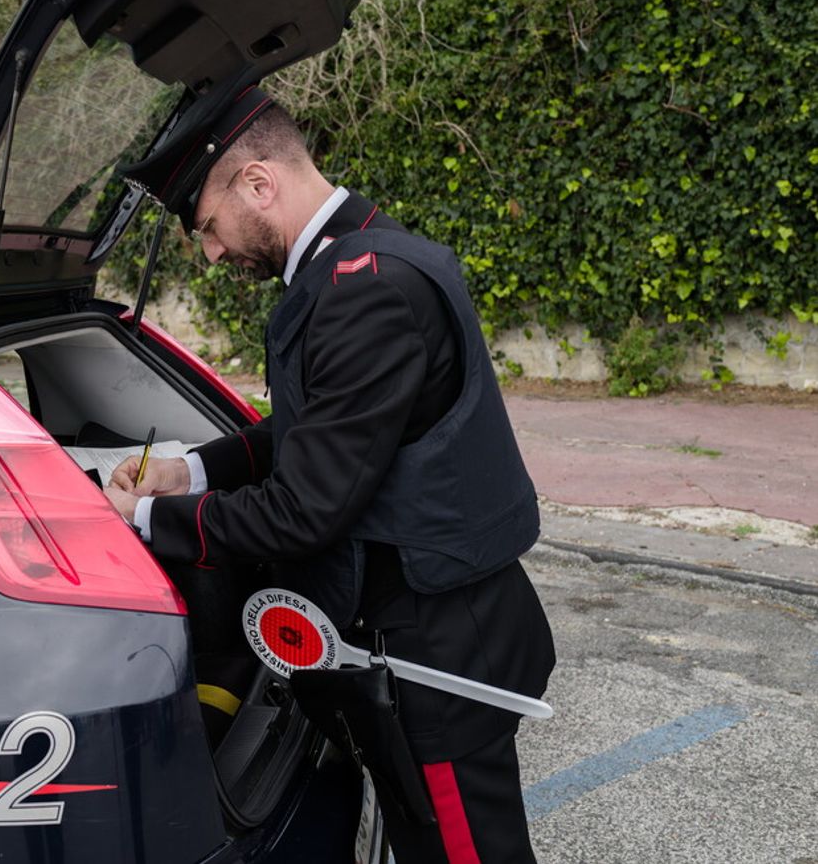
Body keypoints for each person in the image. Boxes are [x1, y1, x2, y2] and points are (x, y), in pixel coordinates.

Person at [104, 86, 555, 863]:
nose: (211, 252)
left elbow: (305, 507)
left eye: (207, 227)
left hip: (436, 651)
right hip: (424, 631)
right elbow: (311, 430)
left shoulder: (364, 288)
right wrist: (189, 472)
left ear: (257, 183)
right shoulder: (358, 257)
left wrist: (145, 523)